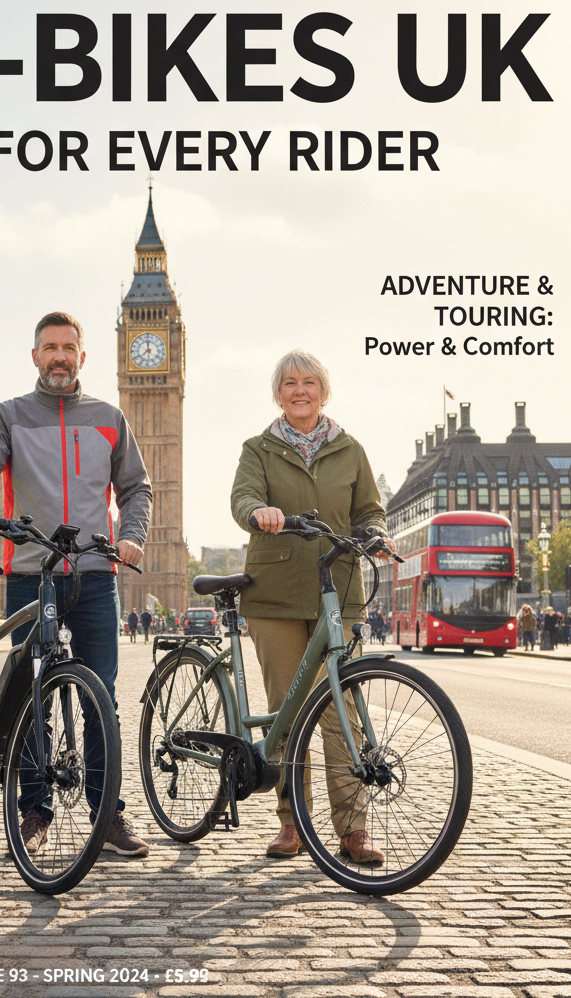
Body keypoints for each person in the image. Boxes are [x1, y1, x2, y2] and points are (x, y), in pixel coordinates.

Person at [0, 310, 152, 858]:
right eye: (50, 347)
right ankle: (34, 811)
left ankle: (106, 811)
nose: (60, 356)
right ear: (36, 356)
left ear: (82, 357)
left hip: (94, 574)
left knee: (102, 699)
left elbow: (137, 488)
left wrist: (132, 535)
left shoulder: (109, 417)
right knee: (30, 699)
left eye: (69, 347)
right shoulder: (8, 416)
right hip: (31, 574)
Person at [230, 349, 396, 864]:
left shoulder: (351, 450)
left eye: (309, 382)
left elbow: (369, 509)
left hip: (337, 594)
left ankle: (352, 830)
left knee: (338, 712)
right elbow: (242, 498)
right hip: (275, 595)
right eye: (289, 384)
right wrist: (260, 511)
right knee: (289, 711)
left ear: (324, 391)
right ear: (278, 394)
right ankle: (291, 823)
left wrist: (378, 535)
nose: (299, 391)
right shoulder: (258, 448)